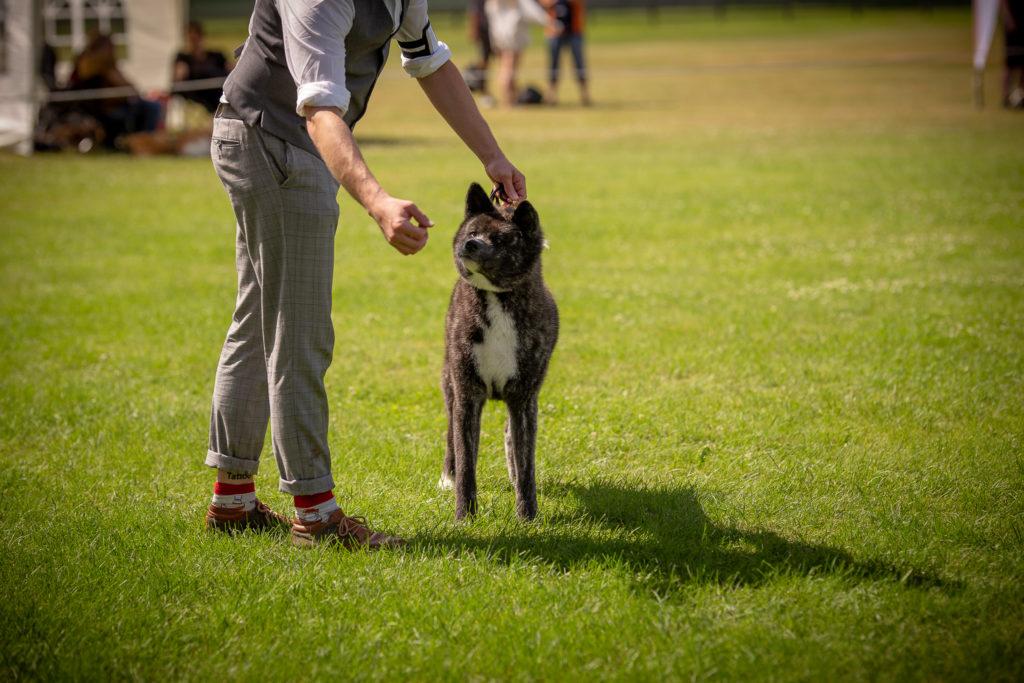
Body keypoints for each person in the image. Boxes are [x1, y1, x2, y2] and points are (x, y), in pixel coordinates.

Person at [203, 0, 527, 548]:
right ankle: (316, 514)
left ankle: (233, 501)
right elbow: (321, 109)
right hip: (278, 138)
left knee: (258, 321)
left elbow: (430, 60)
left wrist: (492, 156)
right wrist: (378, 202)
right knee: (299, 334)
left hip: (272, 136)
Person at [67, 33, 161, 147]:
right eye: (110, 47)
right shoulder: (91, 62)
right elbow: (124, 85)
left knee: (150, 106)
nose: (112, 50)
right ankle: (142, 142)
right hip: (99, 110)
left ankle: (143, 140)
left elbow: (129, 87)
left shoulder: (103, 64)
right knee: (150, 107)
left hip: (111, 107)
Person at [484, 0, 550, 106]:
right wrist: (550, 22)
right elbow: (532, 11)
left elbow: (491, 15)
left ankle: (509, 98)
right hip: (513, 36)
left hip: (499, 36)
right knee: (510, 69)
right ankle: (509, 100)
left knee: (504, 68)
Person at [173, 21, 231, 114]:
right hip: (200, 98)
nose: (193, 42)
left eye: (195, 38)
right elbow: (177, 83)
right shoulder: (183, 59)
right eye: (190, 39)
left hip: (222, 93)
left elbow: (232, 70)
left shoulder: (216, 56)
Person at [543, 0, 590, 106]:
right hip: (553, 31)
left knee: (579, 63)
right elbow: (544, 3)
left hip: (574, 30)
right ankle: (551, 95)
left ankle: (584, 94)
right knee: (553, 64)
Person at [1003, 0, 1024, 108]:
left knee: (1022, 63)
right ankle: (1005, 96)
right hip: (1012, 26)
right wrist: (1008, 18)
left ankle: (1020, 94)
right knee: (1009, 64)